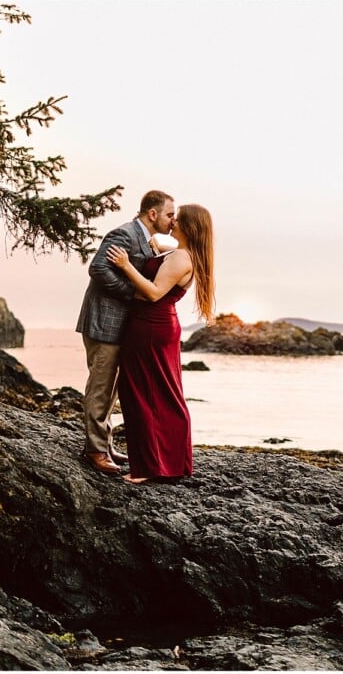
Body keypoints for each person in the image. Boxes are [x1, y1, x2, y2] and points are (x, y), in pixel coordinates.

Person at [105, 203, 215, 484]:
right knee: (158, 393)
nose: (173, 221)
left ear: (189, 227)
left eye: (178, 219)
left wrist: (125, 265)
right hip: (153, 326)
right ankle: (168, 463)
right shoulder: (180, 254)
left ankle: (150, 467)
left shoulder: (181, 258)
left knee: (144, 394)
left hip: (152, 326)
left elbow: (154, 293)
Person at [75, 190, 176, 475]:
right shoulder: (123, 234)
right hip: (104, 323)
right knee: (100, 387)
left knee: (112, 390)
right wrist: (130, 293)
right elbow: (97, 269)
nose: (173, 220)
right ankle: (94, 450)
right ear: (152, 213)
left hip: (122, 327)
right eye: (169, 214)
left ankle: (104, 444)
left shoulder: (147, 239)